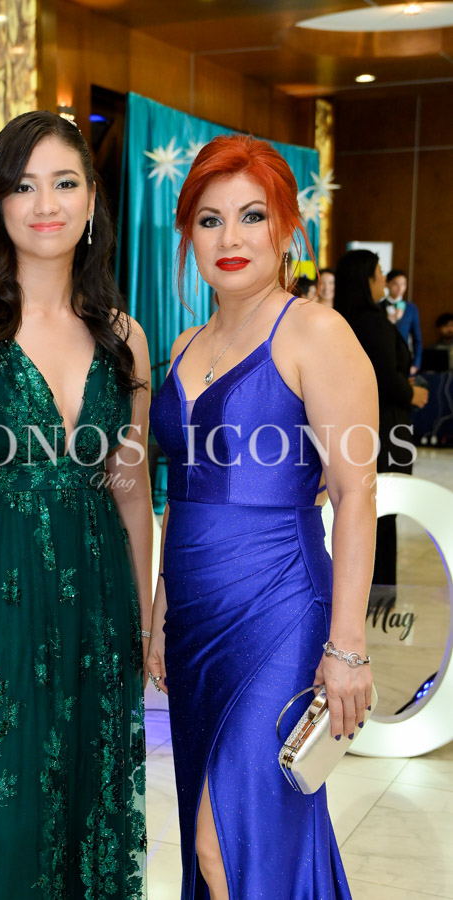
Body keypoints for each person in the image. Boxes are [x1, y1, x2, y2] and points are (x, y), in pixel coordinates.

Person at [0, 110, 152, 898]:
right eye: (23, 185)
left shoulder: (124, 337)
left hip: (100, 608)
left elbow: (130, 491)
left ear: (91, 202)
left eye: (64, 183)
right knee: (0, 817)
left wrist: (141, 622)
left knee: (88, 810)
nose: (45, 203)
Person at [147, 134, 376, 900]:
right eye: (209, 220)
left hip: (279, 614)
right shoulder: (184, 345)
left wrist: (346, 647)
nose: (231, 237)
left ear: (286, 227)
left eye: (251, 215)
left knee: (226, 840)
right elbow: (181, 493)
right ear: (188, 234)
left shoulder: (315, 332)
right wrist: (162, 609)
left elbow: (355, 494)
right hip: (193, 623)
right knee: (225, 841)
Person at [335, 251, 428, 595]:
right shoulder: (371, 322)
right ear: (366, 279)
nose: (383, 279)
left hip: (356, 430)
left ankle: (365, 593)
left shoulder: (341, 319)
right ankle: (379, 596)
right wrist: (411, 393)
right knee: (383, 514)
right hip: (385, 429)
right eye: (379, 272)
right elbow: (384, 377)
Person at [381, 269, 422, 374]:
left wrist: (416, 364)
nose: (400, 288)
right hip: (383, 357)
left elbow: (417, 338)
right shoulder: (378, 307)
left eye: (403, 284)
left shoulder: (411, 308)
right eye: (396, 284)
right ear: (387, 284)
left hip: (404, 359)